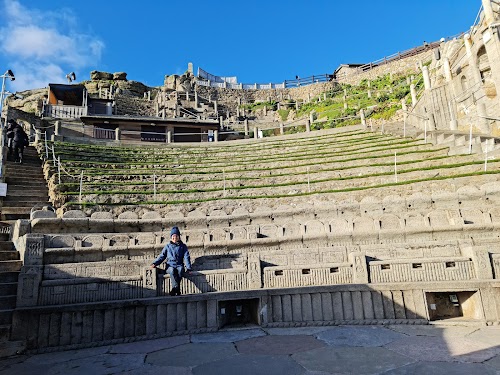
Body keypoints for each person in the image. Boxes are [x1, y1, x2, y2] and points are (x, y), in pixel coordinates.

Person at [150, 226, 191, 296]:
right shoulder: (167, 246)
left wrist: (189, 268)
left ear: (179, 237)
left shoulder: (183, 246)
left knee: (180, 270)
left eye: (176, 236)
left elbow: (186, 257)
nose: (175, 238)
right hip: (170, 266)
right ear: (171, 237)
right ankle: (177, 289)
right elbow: (162, 256)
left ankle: (174, 289)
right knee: (172, 271)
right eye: (173, 236)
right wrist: (155, 263)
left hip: (179, 265)